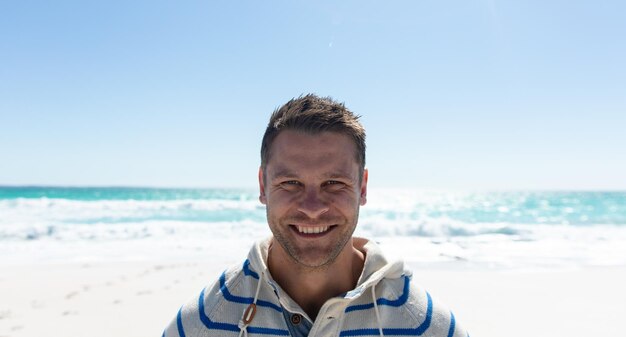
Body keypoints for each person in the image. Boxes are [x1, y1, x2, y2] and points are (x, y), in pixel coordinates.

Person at [163, 94, 468, 337]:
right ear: (263, 185)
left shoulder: (427, 327)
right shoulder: (203, 323)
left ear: (362, 188)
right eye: (291, 183)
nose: (312, 207)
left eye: (333, 183)